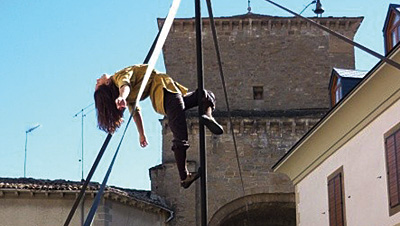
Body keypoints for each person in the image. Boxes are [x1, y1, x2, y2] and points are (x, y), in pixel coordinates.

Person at [94, 64, 223, 189]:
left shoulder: (127, 95)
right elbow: (125, 84)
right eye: (97, 83)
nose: (97, 79)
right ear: (106, 84)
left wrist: (142, 134)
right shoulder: (118, 77)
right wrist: (122, 97)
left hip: (169, 93)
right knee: (180, 135)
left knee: (204, 95)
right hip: (165, 93)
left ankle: (207, 115)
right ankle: (184, 176)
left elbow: (135, 113)